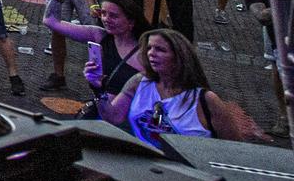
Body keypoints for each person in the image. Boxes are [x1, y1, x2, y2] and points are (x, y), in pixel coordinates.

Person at [99, 28, 267, 144]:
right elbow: (113, 116)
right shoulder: (139, 82)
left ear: (179, 56)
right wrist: (98, 89)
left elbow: (234, 148)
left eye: (160, 49)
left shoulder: (206, 100)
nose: (151, 53)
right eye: (149, 48)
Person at [44, 0, 148, 102]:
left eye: (113, 16)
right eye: (103, 13)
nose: (106, 19)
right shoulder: (99, 35)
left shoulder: (147, 50)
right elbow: (50, 21)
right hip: (105, 108)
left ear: (131, 22)